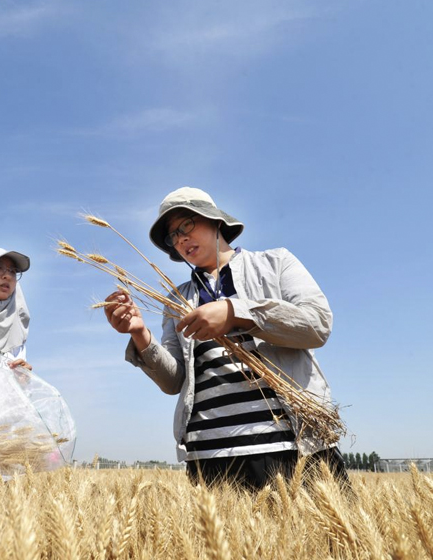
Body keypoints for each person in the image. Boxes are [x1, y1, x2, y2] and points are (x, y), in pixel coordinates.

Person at [103, 187, 348, 490]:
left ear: (215, 221)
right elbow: (173, 381)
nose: (180, 239)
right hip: (210, 455)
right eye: (172, 237)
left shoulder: (276, 264)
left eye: (186, 225)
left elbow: (317, 324)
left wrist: (236, 312)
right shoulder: (177, 299)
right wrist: (140, 334)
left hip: (292, 445)